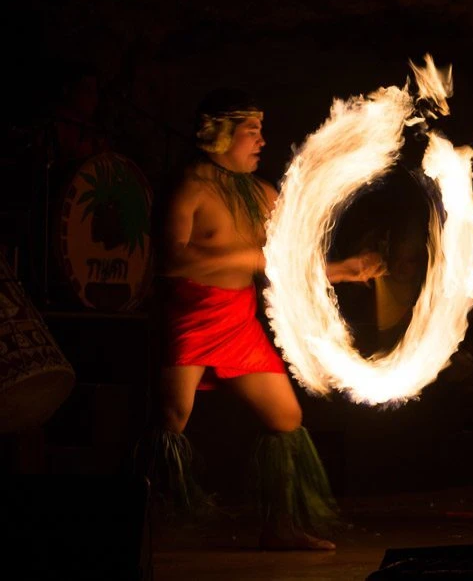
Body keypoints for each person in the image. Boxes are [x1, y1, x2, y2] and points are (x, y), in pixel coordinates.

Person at [135, 88, 386, 549]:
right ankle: (143, 522)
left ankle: (282, 527)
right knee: (172, 416)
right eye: (251, 131)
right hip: (189, 316)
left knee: (287, 417)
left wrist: (342, 270)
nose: (262, 141)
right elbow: (172, 261)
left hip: (238, 321)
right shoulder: (189, 187)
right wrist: (246, 257)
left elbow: (284, 258)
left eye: (261, 130)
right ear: (219, 135)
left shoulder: (261, 192)